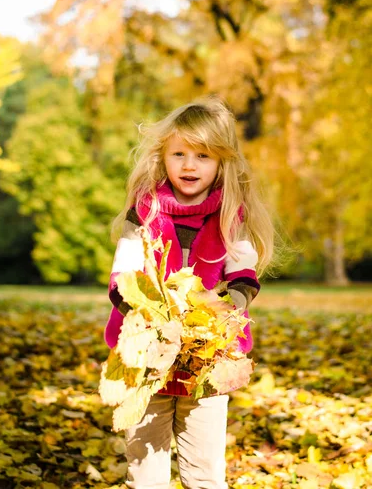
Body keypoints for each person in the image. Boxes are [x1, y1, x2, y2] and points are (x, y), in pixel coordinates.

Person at [104, 98, 274, 489]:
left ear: (221, 162)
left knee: (204, 471)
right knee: (146, 471)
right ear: (163, 157)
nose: (189, 164)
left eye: (202, 155)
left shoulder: (231, 216)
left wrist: (226, 309)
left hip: (208, 357)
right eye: (178, 153)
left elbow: (242, 276)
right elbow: (124, 274)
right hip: (147, 355)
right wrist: (144, 314)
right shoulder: (144, 212)